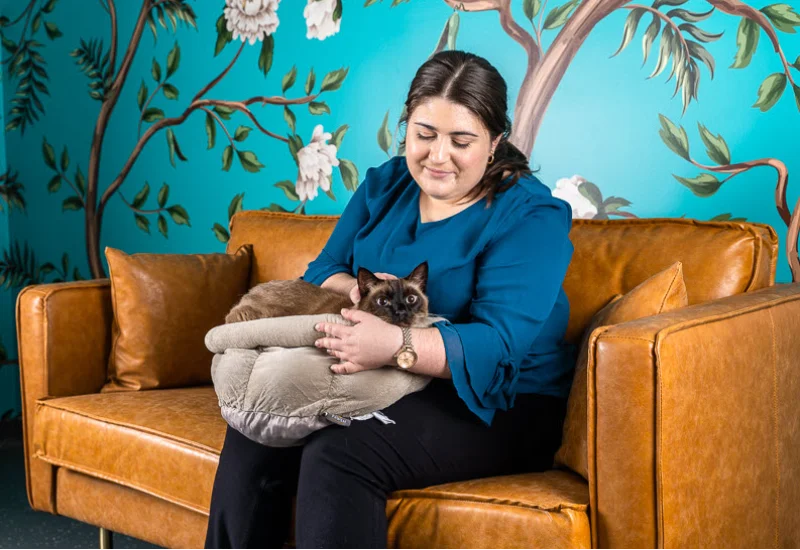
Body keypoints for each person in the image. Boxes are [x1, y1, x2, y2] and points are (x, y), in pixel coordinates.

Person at [205, 50, 576, 550]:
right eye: (424, 134)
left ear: (495, 142)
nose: (437, 155)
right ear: (406, 127)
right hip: (390, 375)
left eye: (460, 141)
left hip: (500, 402)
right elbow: (323, 272)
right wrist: (356, 293)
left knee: (338, 453)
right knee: (257, 427)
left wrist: (397, 343)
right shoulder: (385, 184)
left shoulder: (531, 216)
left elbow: (500, 345)